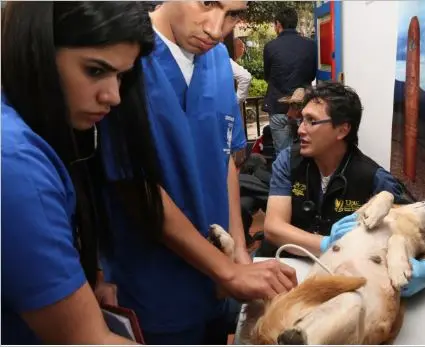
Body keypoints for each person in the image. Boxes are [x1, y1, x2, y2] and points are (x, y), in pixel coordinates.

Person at [100, 2, 297, 345]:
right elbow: (136, 188)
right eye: (208, 3)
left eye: (233, 14)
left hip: (218, 285)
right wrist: (227, 271)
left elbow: (224, 159)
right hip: (157, 284)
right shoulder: (121, 56)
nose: (216, 28)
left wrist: (237, 250)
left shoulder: (218, 60)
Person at [1, 2, 165, 344]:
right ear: (37, 52)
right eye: (94, 71)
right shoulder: (16, 163)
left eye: (120, 76)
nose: (114, 96)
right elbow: (91, 340)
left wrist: (85, 279)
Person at [264, 81, 425, 297]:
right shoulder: (288, 161)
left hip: (341, 280)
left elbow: (414, 229)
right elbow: (273, 228)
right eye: (302, 119)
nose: (300, 129)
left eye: (311, 121)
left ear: (342, 129)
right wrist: (330, 245)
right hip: (287, 268)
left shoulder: (374, 178)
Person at [263, 7, 317, 157]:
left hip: (279, 107)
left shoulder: (270, 47)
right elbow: (312, 75)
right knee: (307, 153)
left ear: (278, 24)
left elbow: (267, 76)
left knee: (283, 156)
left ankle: (285, 180)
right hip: (303, 108)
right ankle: (304, 180)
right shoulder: (311, 45)